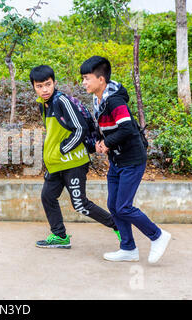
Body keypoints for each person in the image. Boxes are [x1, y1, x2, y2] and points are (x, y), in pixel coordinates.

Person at [80, 55, 171, 263]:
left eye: (87, 78)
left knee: (123, 207)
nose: (84, 83)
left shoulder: (114, 100)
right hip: (117, 161)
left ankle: (157, 236)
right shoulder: (99, 99)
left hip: (132, 159)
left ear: (100, 80)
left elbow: (127, 128)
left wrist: (108, 143)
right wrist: (99, 142)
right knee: (113, 204)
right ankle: (128, 248)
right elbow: (107, 128)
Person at [30, 65, 120, 249]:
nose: (44, 89)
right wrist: (53, 156)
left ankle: (118, 226)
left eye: (48, 84)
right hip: (56, 164)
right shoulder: (43, 103)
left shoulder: (61, 101)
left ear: (54, 83)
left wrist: (63, 150)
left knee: (80, 204)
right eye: (39, 86)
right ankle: (60, 236)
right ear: (34, 87)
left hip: (73, 163)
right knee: (48, 197)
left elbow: (80, 129)